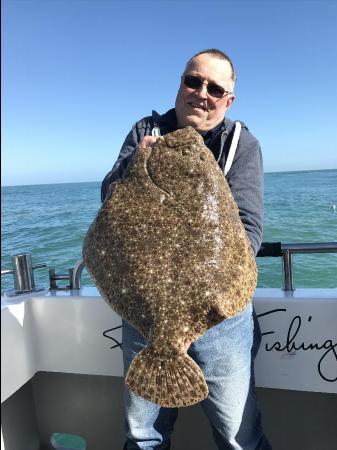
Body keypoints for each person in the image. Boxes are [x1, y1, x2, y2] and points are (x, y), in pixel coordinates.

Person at [101, 49, 271, 450]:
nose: (201, 93)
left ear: (228, 100)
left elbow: (248, 230)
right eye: (193, 81)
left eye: (215, 88)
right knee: (143, 434)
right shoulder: (146, 131)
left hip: (220, 318)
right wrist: (133, 166)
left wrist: (207, 282)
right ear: (180, 84)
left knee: (237, 435)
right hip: (147, 310)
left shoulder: (241, 145)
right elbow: (109, 199)